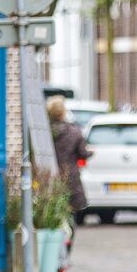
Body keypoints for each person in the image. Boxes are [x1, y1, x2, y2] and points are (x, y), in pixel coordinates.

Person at [47, 97, 92, 228]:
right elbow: (83, 153)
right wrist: (91, 152)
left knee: (51, 210)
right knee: (71, 212)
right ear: (63, 112)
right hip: (70, 177)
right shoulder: (74, 131)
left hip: (49, 175)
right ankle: (67, 241)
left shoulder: (44, 131)